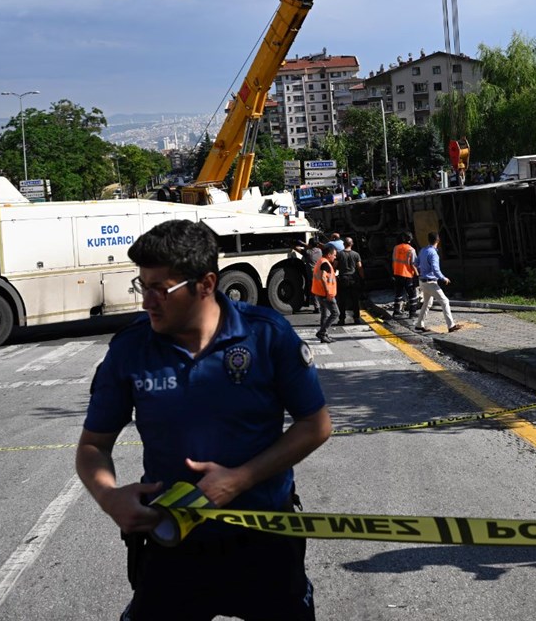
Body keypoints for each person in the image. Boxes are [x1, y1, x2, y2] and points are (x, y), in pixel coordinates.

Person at [75, 219, 331, 621]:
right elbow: (93, 446)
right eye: (143, 286)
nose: (147, 302)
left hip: (265, 538)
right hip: (172, 541)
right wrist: (109, 496)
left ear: (207, 284)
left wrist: (241, 478)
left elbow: (315, 425)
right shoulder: (130, 349)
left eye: (161, 289)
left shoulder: (266, 334)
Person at [414, 232, 460, 333]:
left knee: (427, 303)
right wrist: (443, 278)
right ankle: (451, 325)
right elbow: (435, 269)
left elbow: (416, 263)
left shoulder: (422, 250)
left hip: (422, 282)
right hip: (431, 283)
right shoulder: (433, 253)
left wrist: (422, 270)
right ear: (438, 241)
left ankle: (419, 324)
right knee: (445, 301)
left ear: (429, 240)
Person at [312, 245, 339, 342]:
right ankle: (322, 332)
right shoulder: (325, 263)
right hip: (326, 294)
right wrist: (328, 292)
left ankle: (324, 336)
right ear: (329, 254)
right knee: (335, 313)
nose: (335, 257)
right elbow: (323, 277)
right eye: (334, 255)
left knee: (324, 314)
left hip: (319, 292)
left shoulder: (320, 261)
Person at [335, 237, 364, 326]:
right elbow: (359, 267)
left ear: (344, 244)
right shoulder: (356, 254)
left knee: (342, 300)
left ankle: (342, 319)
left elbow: (334, 266)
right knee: (355, 299)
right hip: (353, 279)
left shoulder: (339, 254)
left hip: (343, 279)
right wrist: (363, 278)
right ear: (352, 244)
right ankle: (356, 318)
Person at [391, 232, 418, 319]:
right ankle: (412, 313)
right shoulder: (411, 250)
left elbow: (393, 260)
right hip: (407, 274)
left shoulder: (396, 248)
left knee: (398, 293)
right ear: (410, 239)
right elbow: (413, 264)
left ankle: (396, 312)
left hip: (397, 273)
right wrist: (417, 275)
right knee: (412, 294)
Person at [292, 238, 322, 313]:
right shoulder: (319, 251)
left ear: (310, 244)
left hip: (312, 274)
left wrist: (294, 243)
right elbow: (311, 246)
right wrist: (303, 243)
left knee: (313, 291)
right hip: (320, 273)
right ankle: (321, 306)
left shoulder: (308, 252)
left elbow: (295, 248)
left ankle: (317, 307)